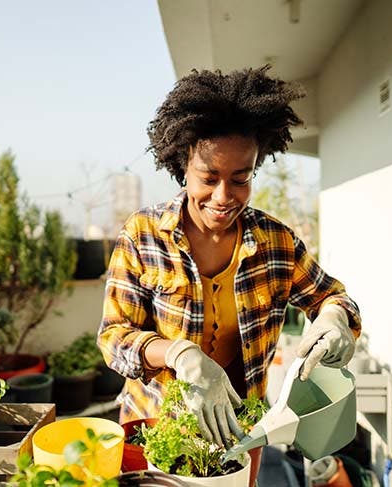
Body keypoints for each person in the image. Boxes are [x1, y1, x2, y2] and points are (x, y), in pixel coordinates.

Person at [97, 66, 361, 482]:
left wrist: (333, 317)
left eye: (241, 179)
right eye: (209, 178)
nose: (223, 196)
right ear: (183, 165)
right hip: (155, 426)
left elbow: (332, 297)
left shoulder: (277, 243)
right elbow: (114, 337)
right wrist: (180, 354)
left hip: (238, 436)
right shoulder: (144, 235)